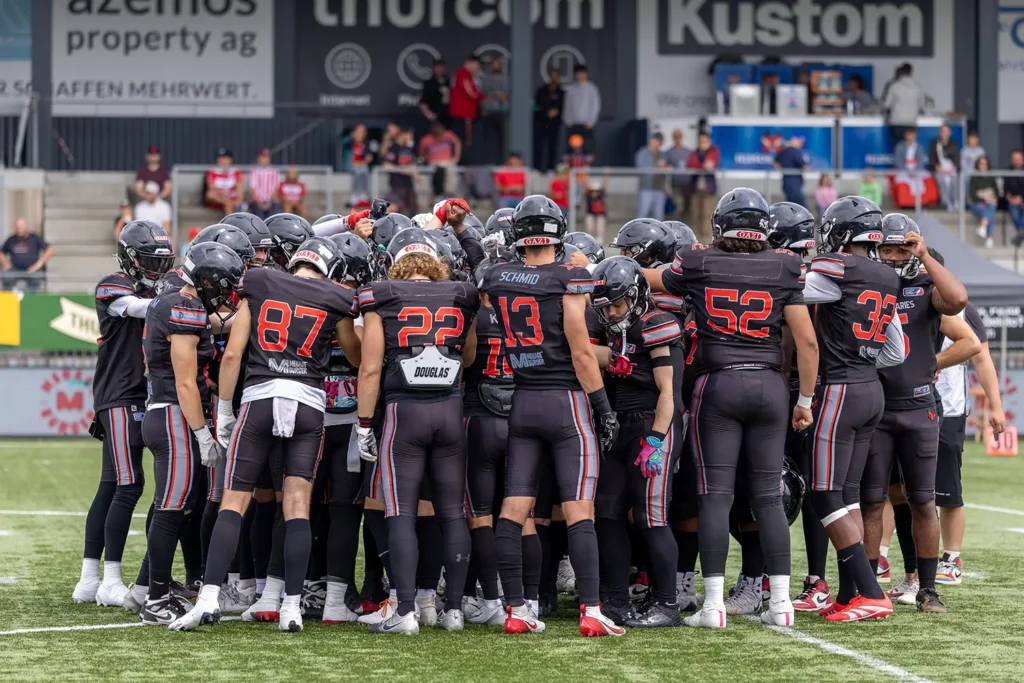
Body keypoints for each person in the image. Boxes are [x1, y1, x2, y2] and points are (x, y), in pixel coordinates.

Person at [642, 188, 820, 629]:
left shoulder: (699, 261)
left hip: (717, 384)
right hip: (770, 386)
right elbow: (807, 342)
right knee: (768, 499)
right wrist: (805, 399)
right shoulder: (786, 265)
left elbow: (654, 280)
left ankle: (714, 605)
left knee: (715, 497)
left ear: (721, 225)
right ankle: (780, 605)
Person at [172, 237, 360, 634]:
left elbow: (235, 354)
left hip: (260, 397)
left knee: (233, 501)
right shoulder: (335, 295)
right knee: (297, 506)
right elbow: (356, 356)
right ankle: (291, 607)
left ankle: (208, 599)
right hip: (309, 403)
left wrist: (224, 410)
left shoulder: (259, 282)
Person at [482, 195, 623, 637]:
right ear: (558, 232)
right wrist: (603, 408)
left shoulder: (498, 277)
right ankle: (590, 610)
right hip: (565, 403)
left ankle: (516, 608)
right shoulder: (569, 277)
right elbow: (582, 352)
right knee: (579, 509)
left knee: (514, 508)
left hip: (522, 401)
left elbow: (494, 286)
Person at [352, 228, 480, 635]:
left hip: (403, 411)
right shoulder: (461, 293)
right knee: (452, 513)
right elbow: (469, 355)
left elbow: (370, 367)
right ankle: (454, 610)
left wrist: (364, 423)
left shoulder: (382, 294)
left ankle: (405, 611)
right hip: (448, 407)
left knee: (400, 513)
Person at [799, 198, 906, 622]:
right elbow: (895, 353)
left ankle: (871, 592)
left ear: (839, 232)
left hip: (841, 390)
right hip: (871, 390)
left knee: (824, 492)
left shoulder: (835, 267)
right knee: (847, 495)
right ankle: (848, 594)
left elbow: (792, 293)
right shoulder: (888, 276)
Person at [861, 219, 974, 614]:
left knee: (923, 501)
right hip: (874, 405)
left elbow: (958, 300)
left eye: (900, 250)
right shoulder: (867, 283)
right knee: (872, 502)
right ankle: (868, 587)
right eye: (886, 250)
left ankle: (927, 588)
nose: (892, 257)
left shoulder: (927, 288)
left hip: (918, 407)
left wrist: (925, 255)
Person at [137, 242, 244, 625]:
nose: (227, 292)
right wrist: (201, 434)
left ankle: (153, 589)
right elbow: (185, 383)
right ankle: (155, 598)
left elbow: (215, 324)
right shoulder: (181, 307)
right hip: (173, 415)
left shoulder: (185, 304)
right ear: (208, 279)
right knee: (171, 507)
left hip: (170, 414)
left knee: (178, 505)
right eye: (225, 284)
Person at [72, 220, 174, 608]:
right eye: (149, 261)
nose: (156, 270)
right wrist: (180, 300)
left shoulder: (158, 288)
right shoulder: (113, 283)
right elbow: (135, 308)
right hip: (121, 393)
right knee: (129, 485)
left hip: (138, 394)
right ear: (130, 258)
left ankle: (89, 577)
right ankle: (110, 579)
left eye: (161, 262)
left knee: (111, 485)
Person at [589, 256, 685, 628]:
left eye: (617, 303)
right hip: (619, 426)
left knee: (652, 517)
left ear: (637, 295)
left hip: (651, 423)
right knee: (607, 513)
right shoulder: (614, 327)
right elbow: (596, 353)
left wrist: (657, 440)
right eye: (607, 306)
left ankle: (667, 604)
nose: (612, 313)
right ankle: (615, 600)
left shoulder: (657, 322)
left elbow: (668, 393)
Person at [932, 278, 1003, 586]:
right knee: (891, 488)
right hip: (902, 405)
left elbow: (982, 357)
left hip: (949, 407)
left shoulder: (964, 311)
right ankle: (880, 554)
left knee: (948, 490)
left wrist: (995, 406)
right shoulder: (893, 299)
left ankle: (951, 557)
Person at [449, 54, 485, 165]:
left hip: (466, 115)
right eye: (476, 66)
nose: (477, 69)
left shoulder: (467, 75)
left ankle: (463, 164)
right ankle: (463, 165)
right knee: (464, 141)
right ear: (470, 63)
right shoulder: (462, 74)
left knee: (465, 141)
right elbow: (471, 93)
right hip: (463, 115)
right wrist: (488, 97)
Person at [686, 132, 721, 243]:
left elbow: (711, 164)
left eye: (705, 141)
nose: (702, 144)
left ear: (709, 142)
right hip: (696, 190)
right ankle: (696, 242)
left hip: (708, 190)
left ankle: (707, 242)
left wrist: (703, 166)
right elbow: (690, 165)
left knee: (707, 216)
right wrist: (702, 166)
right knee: (696, 216)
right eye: (701, 141)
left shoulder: (714, 151)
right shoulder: (695, 152)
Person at [1, 218, 54, 291]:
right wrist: (5, 262)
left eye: (21, 227)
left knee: (35, 280)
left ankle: (31, 299)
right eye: (18, 227)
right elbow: (1, 252)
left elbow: (50, 250)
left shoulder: (35, 238)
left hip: (32, 269)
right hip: (15, 269)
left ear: (26, 227)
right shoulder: (11, 239)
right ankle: (11, 297)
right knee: (7, 276)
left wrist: (38, 265)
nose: (19, 229)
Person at [883, 63, 926, 145]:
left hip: (897, 123)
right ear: (911, 72)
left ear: (901, 72)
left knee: (898, 148)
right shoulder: (918, 87)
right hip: (911, 122)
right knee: (910, 150)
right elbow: (922, 105)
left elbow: (887, 104)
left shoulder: (894, 86)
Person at [562, 65, 601, 156]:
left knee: (587, 151)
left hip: (586, 125)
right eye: (577, 74)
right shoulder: (571, 89)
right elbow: (567, 106)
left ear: (586, 75)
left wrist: (591, 121)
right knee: (571, 150)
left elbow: (595, 106)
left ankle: (586, 169)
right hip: (573, 124)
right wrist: (567, 120)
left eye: (582, 74)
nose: (579, 76)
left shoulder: (592, 89)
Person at [419, 121, 462, 202]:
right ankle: (434, 195)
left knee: (451, 169)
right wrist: (427, 159)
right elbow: (422, 152)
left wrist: (456, 157)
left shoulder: (448, 135)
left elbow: (457, 142)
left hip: (447, 162)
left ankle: (449, 193)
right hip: (434, 163)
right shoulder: (427, 139)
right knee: (434, 172)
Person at [382, 127, 419, 215]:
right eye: (409, 135)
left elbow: (412, 164)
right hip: (397, 184)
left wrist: (418, 179)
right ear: (403, 135)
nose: (410, 138)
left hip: (408, 183)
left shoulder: (408, 149)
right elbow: (387, 164)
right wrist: (406, 170)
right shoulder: (394, 147)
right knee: (395, 207)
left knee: (412, 208)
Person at [533, 69, 564, 173]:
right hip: (541, 123)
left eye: (556, 76)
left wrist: (557, 111)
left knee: (553, 147)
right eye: (552, 76)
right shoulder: (542, 91)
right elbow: (536, 106)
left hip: (554, 124)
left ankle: (551, 169)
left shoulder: (561, 92)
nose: (554, 78)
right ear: (549, 77)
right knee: (539, 146)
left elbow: (564, 107)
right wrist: (546, 112)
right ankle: (537, 169)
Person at [480, 58, 509, 163]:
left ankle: (502, 162)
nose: (495, 67)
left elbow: (507, 95)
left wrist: (502, 97)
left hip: (502, 112)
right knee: (488, 140)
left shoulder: (506, 79)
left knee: (503, 140)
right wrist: (483, 107)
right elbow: (482, 96)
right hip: (488, 113)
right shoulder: (486, 80)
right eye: (493, 65)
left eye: (497, 65)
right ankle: (488, 162)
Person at [635, 133, 668, 221]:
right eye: (655, 141)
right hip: (646, 188)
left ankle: (658, 235)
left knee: (659, 217)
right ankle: (638, 234)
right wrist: (656, 167)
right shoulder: (642, 153)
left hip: (659, 189)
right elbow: (640, 167)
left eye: (659, 142)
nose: (656, 143)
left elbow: (665, 171)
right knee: (642, 215)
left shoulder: (663, 154)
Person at [968, 156, 999, 248]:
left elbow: (997, 192)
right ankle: (989, 237)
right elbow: (973, 195)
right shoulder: (974, 178)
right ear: (977, 165)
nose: (983, 166)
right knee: (989, 212)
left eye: (985, 164)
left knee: (991, 206)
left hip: (989, 202)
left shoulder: (991, 178)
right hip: (976, 203)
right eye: (981, 164)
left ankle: (982, 227)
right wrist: (985, 199)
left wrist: (992, 198)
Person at [928, 124, 960, 212]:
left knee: (955, 179)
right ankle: (947, 202)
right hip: (939, 169)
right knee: (942, 180)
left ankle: (956, 201)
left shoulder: (953, 143)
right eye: (943, 131)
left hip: (951, 168)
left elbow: (957, 158)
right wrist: (938, 168)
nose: (944, 133)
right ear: (940, 132)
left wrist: (953, 168)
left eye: (946, 131)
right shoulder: (935, 143)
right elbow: (932, 158)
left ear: (950, 132)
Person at [893, 127, 929, 202]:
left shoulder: (918, 146)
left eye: (912, 135)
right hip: (904, 171)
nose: (910, 137)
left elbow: (921, 161)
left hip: (916, 170)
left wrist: (915, 171)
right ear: (905, 135)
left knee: (924, 178)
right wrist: (908, 172)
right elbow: (898, 161)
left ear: (915, 136)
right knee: (900, 179)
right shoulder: (900, 146)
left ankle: (920, 203)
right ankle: (906, 203)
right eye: (909, 135)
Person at [205, 148, 244, 217]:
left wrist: (237, 200)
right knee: (210, 194)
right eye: (220, 158)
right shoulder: (213, 171)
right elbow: (211, 187)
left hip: (231, 198)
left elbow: (239, 189)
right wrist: (222, 194)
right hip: (218, 198)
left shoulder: (236, 172)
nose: (222, 161)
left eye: (225, 158)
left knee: (229, 204)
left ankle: (230, 223)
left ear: (230, 159)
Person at [663, 130, 692, 220]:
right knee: (679, 205)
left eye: (679, 136)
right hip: (675, 183)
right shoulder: (668, 152)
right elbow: (664, 167)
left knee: (688, 206)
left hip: (687, 184)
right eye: (675, 137)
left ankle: (687, 224)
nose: (677, 139)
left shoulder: (688, 152)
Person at [246, 148, 281, 221]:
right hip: (256, 201)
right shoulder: (253, 172)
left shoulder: (274, 172)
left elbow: (276, 189)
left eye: (266, 157)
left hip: (271, 201)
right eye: (262, 157)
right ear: (258, 158)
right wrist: (259, 202)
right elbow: (252, 190)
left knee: (273, 216)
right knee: (259, 215)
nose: (264, 160)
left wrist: (269, 202)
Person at [343, 125, 373, 206]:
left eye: (362, 132)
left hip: (362, 166)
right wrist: (351, 137)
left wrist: (368, 159)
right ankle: (356, 194)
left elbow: (369, 157)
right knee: (358, 170)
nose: (360, 134)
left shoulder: (366, 144)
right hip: (352, 167)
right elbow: (342, 141)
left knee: (364, 170)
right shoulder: (349, 143)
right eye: (358, 132)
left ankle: (363, 193)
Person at [419, 59, 451, 131]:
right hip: (434, 117)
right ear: (433, 69)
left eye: (441, 67)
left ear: (444, 68)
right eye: (437, 67)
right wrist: (429, 114)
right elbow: (423, 101)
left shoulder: (449, 82)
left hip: (448, 117)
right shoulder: (429, 83)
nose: (439, 70)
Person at [774, 137, 807, 206]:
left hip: (786, 181)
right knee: (800, 205)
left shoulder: (783, 151)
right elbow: (804, 165)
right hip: (794, 182)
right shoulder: (795, 151)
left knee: (790, 205)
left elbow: (776, 162)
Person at [1004, 150, 1024, 241]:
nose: (1017, 161)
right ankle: (1021, 233)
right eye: (1014, 159)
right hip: (1013, 201)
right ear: (1011, 160)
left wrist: (1022, 199)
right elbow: (1005, 190)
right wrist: (1011, 199)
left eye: (1019, 159)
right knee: (1015, 213)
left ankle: (1020, 234)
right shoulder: (1008, 173)